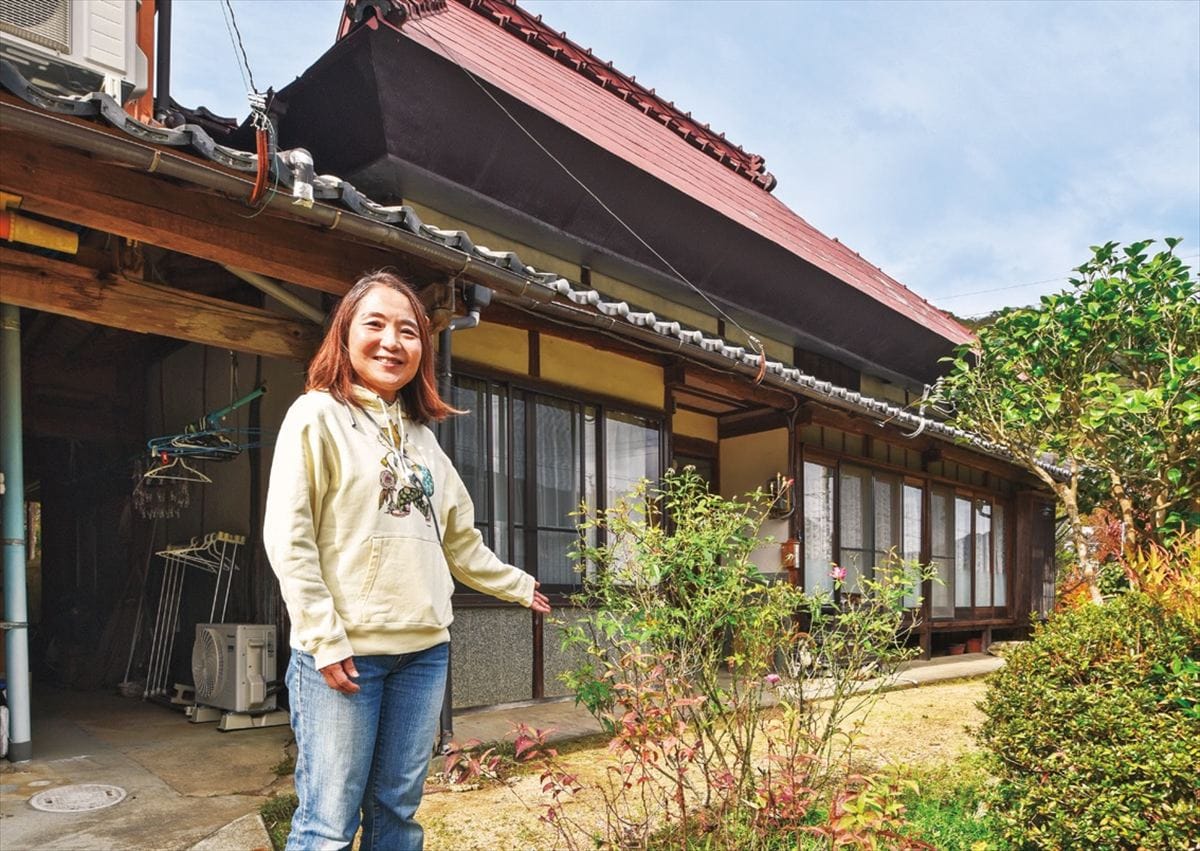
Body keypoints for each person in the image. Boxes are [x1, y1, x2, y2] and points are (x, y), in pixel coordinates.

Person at [264, 270, 551, 850]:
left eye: (409, 331)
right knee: (327, 825)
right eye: (375, 324)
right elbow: (288, 535)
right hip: (345, 654)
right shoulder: (316, 415)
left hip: (423, 652)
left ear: (423, 349)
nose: (392, 342)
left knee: (397, 812)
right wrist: (323, 636)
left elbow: (459, 540)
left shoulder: (422, 439)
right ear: (345, 334)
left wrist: (516, 584)